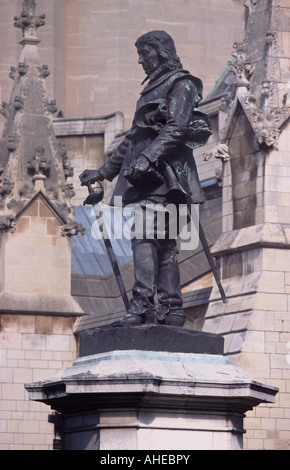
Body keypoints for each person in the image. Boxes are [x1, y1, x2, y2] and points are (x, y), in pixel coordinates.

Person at [79, 30, 211, 327]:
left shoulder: (181, 84)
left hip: (168, 179)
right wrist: (104, 172)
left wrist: (148, 157)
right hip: (146, 179)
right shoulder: (152, 89)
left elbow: (177, 128)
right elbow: (132, 140)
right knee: (162, 245)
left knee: (145, 239)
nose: (140, 61)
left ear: (161, 52)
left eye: (144, 54)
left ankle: (143, 306)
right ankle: (172, 309)